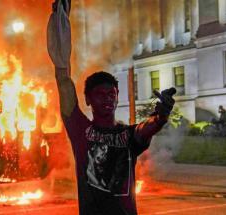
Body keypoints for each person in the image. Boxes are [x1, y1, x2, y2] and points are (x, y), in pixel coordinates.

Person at [47, 1, 176, 214]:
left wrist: (162, 114)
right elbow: (63, 80)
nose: (107, 99)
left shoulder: (128, 134)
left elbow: (148, 126)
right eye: (100, 94)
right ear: (88, 99)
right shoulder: (80, 129)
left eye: (111, 94)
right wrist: (61, 27)